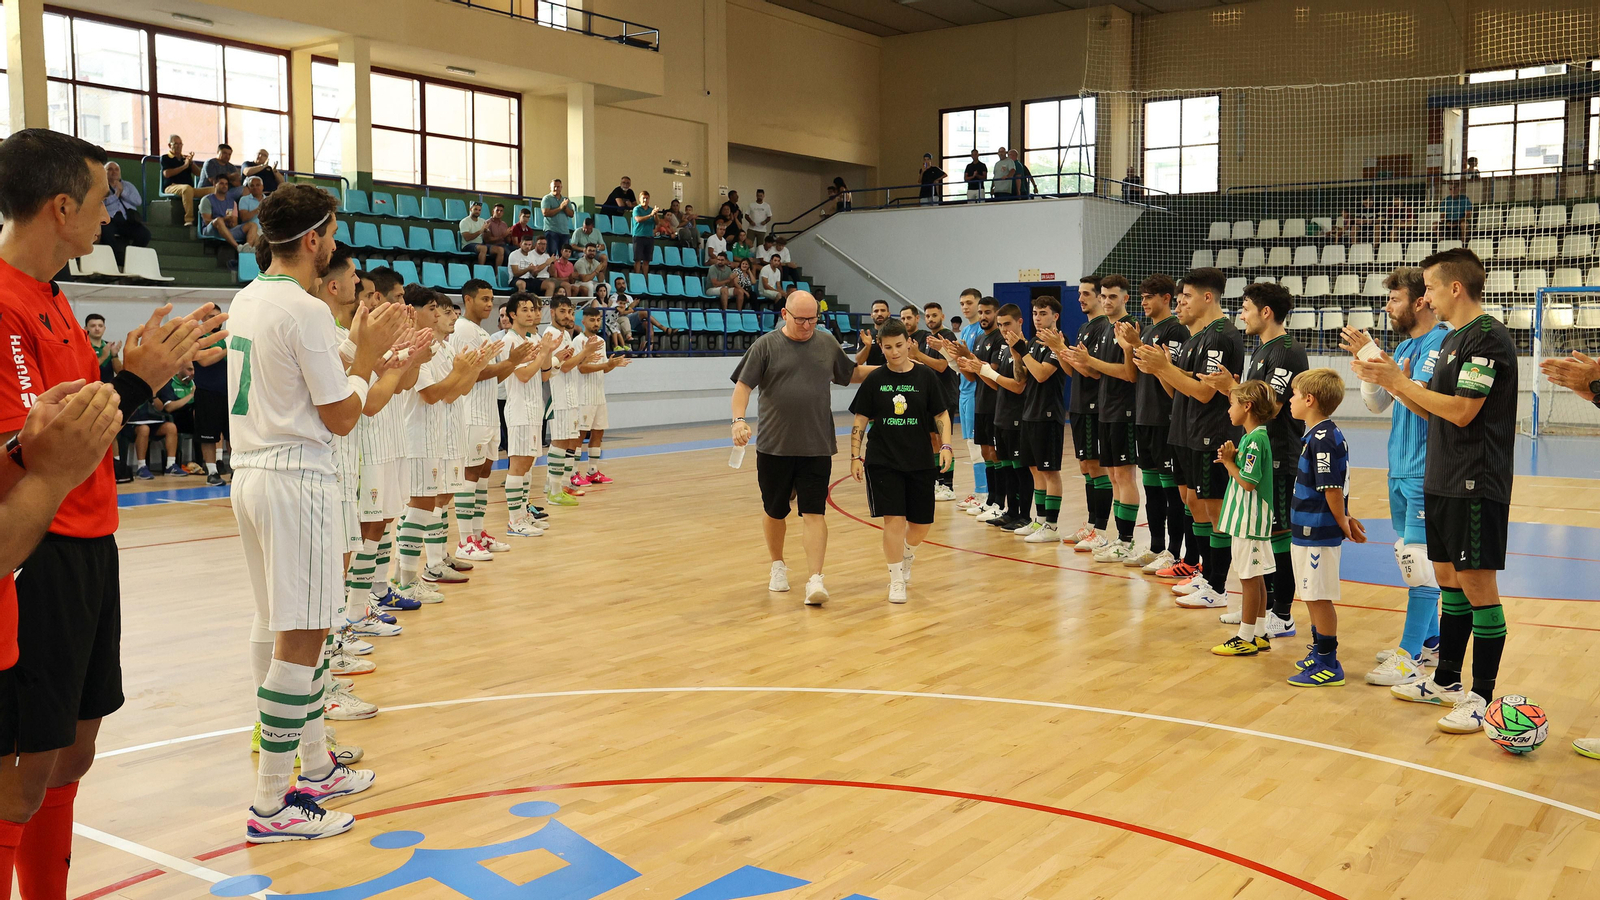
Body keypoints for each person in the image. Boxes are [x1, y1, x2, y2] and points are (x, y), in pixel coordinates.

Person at [0, 127, 228, 897]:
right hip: (39, 553)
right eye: (102, 199)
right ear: (61, 208)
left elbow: (79, 413)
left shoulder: (52, 295)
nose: (111, 214)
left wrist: (137, 370)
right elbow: (40, 450)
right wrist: (135, 384)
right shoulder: (4, 305)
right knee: (22, 773)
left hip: (94, 541)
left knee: (73, 752)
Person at [227, 183, 406, 842]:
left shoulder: (248, 297)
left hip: (251, 472)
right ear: (313, 239)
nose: (334, 245)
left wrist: (361, 355)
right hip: (294, 478)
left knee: (289, 628)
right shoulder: (302, 310)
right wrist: (366, 362)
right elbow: (341, 417)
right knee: (300, 641)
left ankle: (317, 766)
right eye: (330, 234)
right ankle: (273, 803)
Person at [1351, 247, 1517, 734]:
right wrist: (1393, 383)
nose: (1425, 297)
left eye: (1430, 288)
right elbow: (1430, 409)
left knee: (1478, 587)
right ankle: (1445, 680)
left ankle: (1481, 697)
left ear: (1455, 288)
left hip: (1475, 480)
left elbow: (1463, 411)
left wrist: (1400, 381)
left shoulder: (1486, 337)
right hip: (1441, 477)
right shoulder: (1452, 340)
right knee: (1447, 579)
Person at [730, 292, 875, 605]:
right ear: (785, 314)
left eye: (813, 319)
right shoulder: (765, 346)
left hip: (816, 445)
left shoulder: (826, 343)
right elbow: (743, 386)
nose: (808, 325)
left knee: (814, 512)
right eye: (801, 319)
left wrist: (890, 368)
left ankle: (815, 579)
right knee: (774, 510)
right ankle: (777, 566)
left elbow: (850, 374)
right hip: (774, 446)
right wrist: (738, 420)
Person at [1340, 268, 1448, 687]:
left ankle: (1409, 656)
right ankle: (1431, 642)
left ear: (1420, 302)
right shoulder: (1403, 346)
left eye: (1395, 299)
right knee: (1408, 555)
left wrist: (1377, 361)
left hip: (1426, 469)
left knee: (1418, 564)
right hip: (1399, 467)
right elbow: (1378, 404)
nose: (1387, 307)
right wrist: (1371, 367)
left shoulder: (1440, 341)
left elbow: (1418, 396)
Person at [1199, 282, 1307, 636]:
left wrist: (1229, 388)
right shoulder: (1262, 350)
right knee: (1261, 536)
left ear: (1266, 312)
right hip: (1260, 454)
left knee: (1278, 534)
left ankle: (1282, 613)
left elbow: (1270, 406)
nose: (1241, 316)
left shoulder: (1286, 352)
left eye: (1245, 309)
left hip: (1279, 457)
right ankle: (1260, 611)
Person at [1132, 267, 1245, 608]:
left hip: (1212, 433)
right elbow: (1177, 389)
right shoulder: (1197, 337)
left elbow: (1205, 393)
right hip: (1187, 431)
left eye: (1187, 296)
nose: (1182, 303)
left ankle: (1217, 587)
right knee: (1194, 503)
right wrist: (1159, 370)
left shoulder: (1220, 336)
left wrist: (1164, 368)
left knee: (1214, 510)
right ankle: (1203, 573)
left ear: (1208, 297)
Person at [848, 317, 952, 603]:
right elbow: (860, 419)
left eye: (898, 345)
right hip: (883, 460)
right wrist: (855, 455)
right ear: (880, 347)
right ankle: (895, 579)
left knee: (921, 524)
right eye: (888, 347)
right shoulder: (875, 380)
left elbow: (941, 414)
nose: (894, 352)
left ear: (908, 343)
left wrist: (946, 445)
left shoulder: (925, 377)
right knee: (893, 519)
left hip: (919, 459)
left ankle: (907, 553)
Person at [1281, 368, 1366, 687]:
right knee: (1310, 593)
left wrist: (1342, 519)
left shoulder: (1324, 439)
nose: (1289, 401)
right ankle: (1319, 651)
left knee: (1318, 596)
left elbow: (1332, 487)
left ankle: (1328, 663)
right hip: (1306, 530)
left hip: (1317, 531)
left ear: (1309, 399)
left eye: (1293, 395)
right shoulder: (1317, 435)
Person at [1055, 275, 1140, 558]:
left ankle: (1124, 540)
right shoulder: (1105, 329)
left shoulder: (1129, 327)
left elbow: (1128, 374)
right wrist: (1068, 354)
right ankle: (1110, 536)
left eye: (1112, 296)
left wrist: (1088, 361)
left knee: (1124, 476)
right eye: (1103, 296)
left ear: (1125, 298)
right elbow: (1094, 370)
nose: (1106, 301)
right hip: (1106, 409)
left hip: (1124, 410)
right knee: (1113, 475)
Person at [453, 280, 535, 560]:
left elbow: (495, 376)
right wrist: (511, 361)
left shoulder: (481, 332)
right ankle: (464, 540)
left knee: (484, 476)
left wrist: (511, 362)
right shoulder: (464, 330)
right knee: (470, 476)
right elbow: (472, 373)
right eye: (484, 299)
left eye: (491, 299)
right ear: (468, 300)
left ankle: (478, 534)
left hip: (488, 413)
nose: (489, 304)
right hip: (471, 413)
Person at [1112, 274, 1189, 572]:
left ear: (1166, 298)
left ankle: (1174, 551)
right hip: (1144, 417)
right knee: (1152, 490)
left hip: (1165, 419)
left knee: (1172, 493)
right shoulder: (1145, 331)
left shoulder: (1175, 330)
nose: (1143, 302)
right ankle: (1156, 547)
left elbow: (1170, 372)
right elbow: (1133, 375)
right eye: (1142, 296)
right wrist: (1129, 347)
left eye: (1149, 297)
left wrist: (1136, 343)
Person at [1209, 380, 1280, 656]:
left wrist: (1229, 463)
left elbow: (1248, 483)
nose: (1229, 410)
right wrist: (1233, 458)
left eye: (1232, 404)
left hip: (1249, 521)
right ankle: (1259, 632)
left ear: (1247, 406)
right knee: (1256, 577)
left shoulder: (1254, 440)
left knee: (1249, 580)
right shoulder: (1254, 438)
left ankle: (1245, 637)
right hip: (1251, 520)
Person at [498, 293, 562, 536]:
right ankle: (514, 521)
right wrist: (543, 353)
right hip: (519, 409)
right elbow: (523, 375)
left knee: (528, 465)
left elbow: (544, 375)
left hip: (534, 408)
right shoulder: (510, 341)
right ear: (512, 314)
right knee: (518, 465)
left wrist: (548, 354)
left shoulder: (533, 337)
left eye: (533, 309)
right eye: (524, 309)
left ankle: (524, 514)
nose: (531, 313)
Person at [1058, 276, 1111, 548]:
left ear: (1100, 297)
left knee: (1096, 466)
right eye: (1079, 294)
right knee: (1085, 466)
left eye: (1086, 294)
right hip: (1078, 406)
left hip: (1094, 406)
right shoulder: (1083, 328)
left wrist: (1062, 350)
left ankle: (1100, 529)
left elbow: (1092, 371)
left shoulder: (1104, 327)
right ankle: (1091, 525)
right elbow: (1073, 371)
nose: (1080, 298)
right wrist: (1060, 352)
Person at [1013, 296, 1068, 542]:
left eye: (1043, 313)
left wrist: (1023, 351)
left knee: (1050, 472)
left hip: (1048, 414)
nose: (1037, 317)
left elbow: (1042, 374)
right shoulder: (1034, 342)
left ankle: (1052, 526)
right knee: (1035, 470)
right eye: (1035, 313)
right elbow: (1022, 378)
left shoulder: (1059, 342)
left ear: (1055, 316)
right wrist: (1017, 355)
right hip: (1030, 413)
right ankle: (1040, 520)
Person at [542, 296, 594, 506]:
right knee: (559, 441)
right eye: (563, 311)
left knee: (568, 442)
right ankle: (553, 490)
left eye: (571, 312)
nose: (568, 316)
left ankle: (560, 485)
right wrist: (585, 353)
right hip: (558, 396)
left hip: (569, 395)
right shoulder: (551, 334)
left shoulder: (564, 334)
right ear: (552, 312)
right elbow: (564, 366)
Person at [572, 306, 630, 486]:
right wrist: (606, 365)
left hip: (599, 394)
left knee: (598, 432)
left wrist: (613, 364)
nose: (596, 323)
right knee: (580, 435)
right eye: (592, 320)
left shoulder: (601, 341)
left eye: (598, 320)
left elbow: (603, 369)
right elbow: (582, 368)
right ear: (583, 321)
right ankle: (573, 473)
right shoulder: (578, 341)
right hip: (583, 396)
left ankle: (592, 471)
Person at [914, 301, 960, 500]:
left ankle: (947, 485)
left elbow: (942, 366)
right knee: (932, 440)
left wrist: (917, 355)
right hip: (929, 396)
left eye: (934, 315)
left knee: (943, 440)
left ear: (942, 316)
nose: (931, 319)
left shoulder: (947, 336)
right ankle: (936, 481)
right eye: (928, 316)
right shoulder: (926, 339)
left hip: (945, 395)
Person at [950, 289, 990, 509]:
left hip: (977, 392)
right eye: (962, 303)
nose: (965, 307)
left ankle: (983, 493)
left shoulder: (983, 332)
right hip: (964, 392)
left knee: (978, 445)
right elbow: (962, 366)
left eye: (969, 302)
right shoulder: (965, 331)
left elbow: (977, 365)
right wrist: (949, 355)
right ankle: (979, 491)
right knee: (970, 443)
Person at [99, 161, 150, 268]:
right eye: (110, 169)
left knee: (144, 234)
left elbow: (138, 201)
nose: (114, 172)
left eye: (116, 169)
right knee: (105, 232)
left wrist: (123, 192)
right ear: (104, 172)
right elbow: (101, 202)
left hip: (127, 220)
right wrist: (116, 195)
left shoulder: (128, 185)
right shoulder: (100, 186)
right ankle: (117, 258)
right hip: (109, 219)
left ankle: (131, 257)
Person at [201, 177, 256, 254]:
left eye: (226, 184)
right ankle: (237, 247)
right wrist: (224, 219)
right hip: (211, 230)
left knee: (253, 225)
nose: (224, 186)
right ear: (214, 184)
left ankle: (247, 248)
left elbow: (235, 224)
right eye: (221, 183)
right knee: (219, 220)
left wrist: (231, 223)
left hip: (228, 230)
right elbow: (207, 221)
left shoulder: (232, 202)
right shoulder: (207, 199)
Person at [160, 134, 203, 226]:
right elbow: (167, 174)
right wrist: (184, 166)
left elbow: (199, 173)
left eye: (180, 144)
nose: (179, 146)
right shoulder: (165, 158)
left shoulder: (185, 158)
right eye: (176, 144)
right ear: (169, 145)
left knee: (213, 190)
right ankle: (189, 219)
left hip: (189, 189)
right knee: (187, 188)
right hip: (171, 186)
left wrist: (191, 163)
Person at [459, 201, 502, 268]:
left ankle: (497, 273)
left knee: (500, 250)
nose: (477, 211)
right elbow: (467, 238)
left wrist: (487, 231)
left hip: (480, 244)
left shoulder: (483, 221)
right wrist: (480, 231)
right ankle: (480, 270)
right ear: (470, 209)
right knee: (483, 248)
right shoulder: (464, 222)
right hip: (468, 245)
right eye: (475, 209)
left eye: (479, 210)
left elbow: (487, 238)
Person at [631, 191, 662, 276]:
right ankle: (637, 277)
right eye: (643, 198)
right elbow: (638, 219)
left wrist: (655, 214)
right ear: (639, 199)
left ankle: (645, 278)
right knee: (637, 259)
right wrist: (650, 215)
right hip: (639, 236)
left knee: (646, 260)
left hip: (649, 237)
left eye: (647, 198)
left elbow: (657, 222)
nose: (645, 200)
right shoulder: (636, 209)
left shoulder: (651, 210)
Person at [541, 179, 575, 256]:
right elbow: (545, 213)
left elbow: (571, 214)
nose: (556, 188)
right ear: (550, 187)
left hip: (564, 231)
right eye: (554, 186)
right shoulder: (547, 198)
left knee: (564, 255)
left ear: (561, 187)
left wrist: (565, 207)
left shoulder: (565, 200)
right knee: (551, 254)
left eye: (558, 187)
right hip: (551, 230)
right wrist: (560, 208)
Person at [85, 313, 121, 381]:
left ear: (104, 328)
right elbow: (86, 370)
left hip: (108, 386)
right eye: (93, 326)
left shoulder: (109, 346)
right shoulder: (82, 346)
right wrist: (103, 357)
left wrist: (114, 355)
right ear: (86, 328)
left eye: (100, 326)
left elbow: (120, 372)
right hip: (90, 386)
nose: (97, 329)